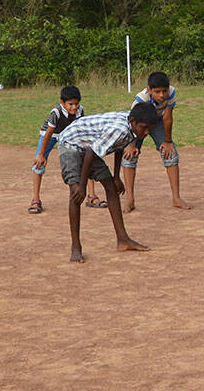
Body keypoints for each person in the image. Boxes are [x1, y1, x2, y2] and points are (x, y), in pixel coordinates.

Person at [56, 102, 161, 262]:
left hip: (89, 145)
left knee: (111, 187)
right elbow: (91, 152)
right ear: (132, 121)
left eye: (150, 129)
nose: (146, 132)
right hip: (71, 143)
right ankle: (76, 247)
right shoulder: (119, 129)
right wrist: (83, 186)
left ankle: (123, 240)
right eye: (144, 127)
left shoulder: (133, 126)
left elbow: (119, 146)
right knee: (76, 192)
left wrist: (116, 176)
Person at [120, 72, 192, 212]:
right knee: (129, 156)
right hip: (139, 124)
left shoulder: (171, 93)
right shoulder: (141, 99)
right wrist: (131, 144)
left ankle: (176, 198)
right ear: (149, 90)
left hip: (157, 121)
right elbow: (132, 122)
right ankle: (130, 199)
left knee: (171, 154)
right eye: (157, 91)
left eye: (164, 91)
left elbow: (167, 117)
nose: (162, 95)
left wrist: (168, 141)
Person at [28, 85, 83, 214]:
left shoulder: (80, 110)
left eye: (76, 104)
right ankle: (36, 199)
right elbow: (49, 133)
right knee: (39, 163)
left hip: (68, 134)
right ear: (62, 103)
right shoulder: (56, 112)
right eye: (70, 104)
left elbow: (80, 128)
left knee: (85, 158)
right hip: (50, 135)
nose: (74, 107)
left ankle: (91, 196)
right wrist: (41, 154)